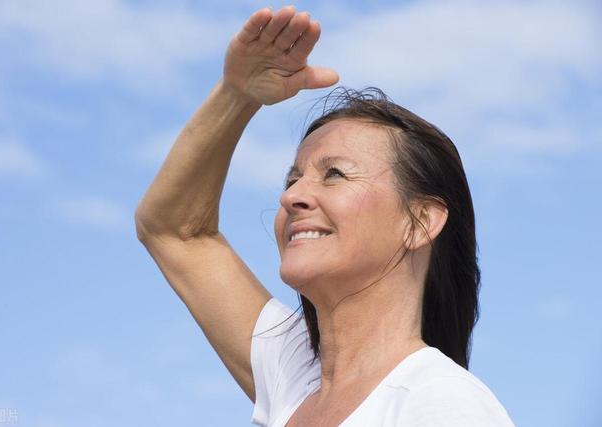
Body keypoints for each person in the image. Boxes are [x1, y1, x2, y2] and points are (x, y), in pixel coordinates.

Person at [135, 5, 515, 427]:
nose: (293, 196)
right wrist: (237, 94)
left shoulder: (442, 404)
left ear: (420, 221)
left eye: (334, 174)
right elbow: (174, 230)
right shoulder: (294, 377)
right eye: (292, 179)